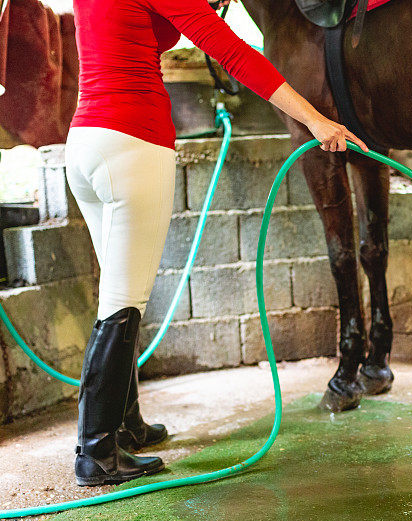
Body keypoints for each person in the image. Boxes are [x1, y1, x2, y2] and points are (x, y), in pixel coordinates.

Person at [66, 0, 367, 487]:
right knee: (124, 301)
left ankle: (127, 425)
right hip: (132, 143)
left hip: (84, 142)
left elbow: (146, 35)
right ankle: (96, 453)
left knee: (116, 294)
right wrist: (316, 119)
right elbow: (235, 55)